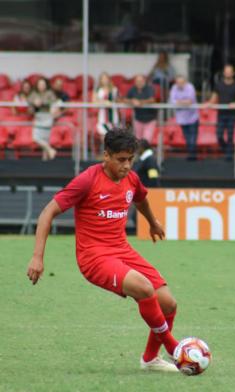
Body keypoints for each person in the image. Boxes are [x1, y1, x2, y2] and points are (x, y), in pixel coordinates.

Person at [26, 128, 179, 372]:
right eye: (121, 160)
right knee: (144, 288)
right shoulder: (88, 180)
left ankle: (150, 359)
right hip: (93, 257)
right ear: (105, 155)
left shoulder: (131, 178)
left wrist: (152, 222)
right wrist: (37, 257)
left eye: (130, 159)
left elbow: (140, 199)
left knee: (169, 303)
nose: (127, 165)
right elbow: (48, 212)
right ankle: (175, 349)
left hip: (121, 250)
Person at [205, 64, 235, 161]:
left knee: (230, 136)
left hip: (232, 114)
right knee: (219, 135)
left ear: (233, 73)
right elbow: (213, 98)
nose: (228, 73)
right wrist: (209, 104)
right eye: (226, 71)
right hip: (221, 114)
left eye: (230, 71)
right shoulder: (219, 85)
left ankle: (229, 156)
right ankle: (228, 150)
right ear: (224, 73)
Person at [169, 75, 199, 160]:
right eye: (178, 82)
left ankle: (192, 156)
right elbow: (172, 101)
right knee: (187, 138)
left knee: (192, 139)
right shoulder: (174, 88)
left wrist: (179, 102)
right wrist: (183, 102)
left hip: (193, 117)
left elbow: (190, 101)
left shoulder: (190, 87)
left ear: (185, 82)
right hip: (181, 119)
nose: (180, 84)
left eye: (181, 82)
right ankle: (191, 155)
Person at [27, 78, 57, 160]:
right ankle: (50, 150)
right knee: (36, 137)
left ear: (46, 85)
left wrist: (44, 103)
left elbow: (54, 102)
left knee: (45, 138)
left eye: (43, 84)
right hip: (38, 116)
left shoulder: (49, 93)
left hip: (47, 116)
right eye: (40, 84)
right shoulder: (34, 94)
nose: (41, 86)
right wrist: (34, 102)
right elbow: (29, 100)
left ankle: (45, 159)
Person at [126, 75, 157, 143]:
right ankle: (139, 153)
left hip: (150, 119)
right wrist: (132, 101)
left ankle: (146, 153)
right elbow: (125, 99)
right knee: (137, 140)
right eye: (137, 81)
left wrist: (140, 102)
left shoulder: (149, 88)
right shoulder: (133, 89)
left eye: (140, 81)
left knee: (146, 140)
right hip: (138, 118)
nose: (139, 83)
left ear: (144, 81)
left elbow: (152, 100)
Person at [93, 72, 120, 139]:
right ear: (100, 80)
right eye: (103, 78)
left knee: (114, 136)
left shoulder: (114, 89)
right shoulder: (98, 90)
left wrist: (112, 103)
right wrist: (104, 102)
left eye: (106, 78)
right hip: (103, 116)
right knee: (104, 136)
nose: (105, 80)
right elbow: (94, 101)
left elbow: (118, 100)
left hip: (113, 115)